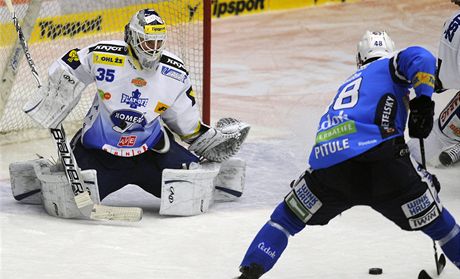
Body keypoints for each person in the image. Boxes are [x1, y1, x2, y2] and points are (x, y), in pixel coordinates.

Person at [236, 31, 460, 278]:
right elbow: (421, 57)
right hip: (383, 161)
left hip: (332, 164)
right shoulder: (390, 64)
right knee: (439, 223)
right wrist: (424, 101)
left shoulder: (349, 83)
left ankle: (250, 270)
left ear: (359, 59)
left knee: (286, 217)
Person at [9, 9, 250, 219]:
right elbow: (71, 62)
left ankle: (210, 177)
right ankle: (44, 174)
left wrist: (204, 139)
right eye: (148, 42)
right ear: (133, 38)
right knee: (67, 202)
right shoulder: (104, 55)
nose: (153, 49)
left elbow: (184, 122)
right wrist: (56, 92)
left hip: (151, 153)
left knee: (190, 190)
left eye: (158, 43)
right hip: (99, 155)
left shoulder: (173, 72)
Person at [407, 7, 460, 167]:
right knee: (416, 155)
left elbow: (447, 73)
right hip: (446, 135)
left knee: (414, 154)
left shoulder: (454, 19)